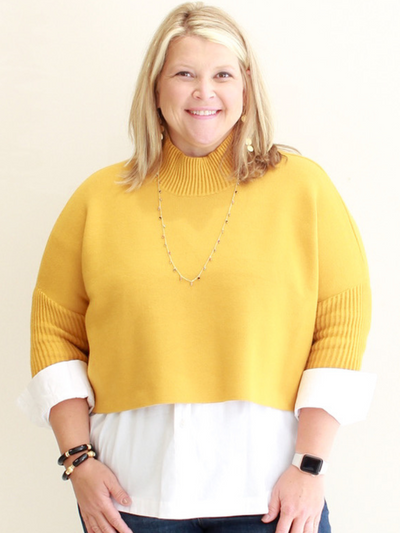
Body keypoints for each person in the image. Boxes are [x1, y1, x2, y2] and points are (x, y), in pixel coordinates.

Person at [19, 3, 376, 533]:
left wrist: (310, 467)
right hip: (131, 499)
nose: (204, 92)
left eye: (222, 75)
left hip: (272, 497)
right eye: (184, 74)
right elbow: (54, 333)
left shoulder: (304, 190)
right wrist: (78, 463)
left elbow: (341, 325)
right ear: (156, 87)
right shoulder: (97, 200)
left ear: (246, 86)